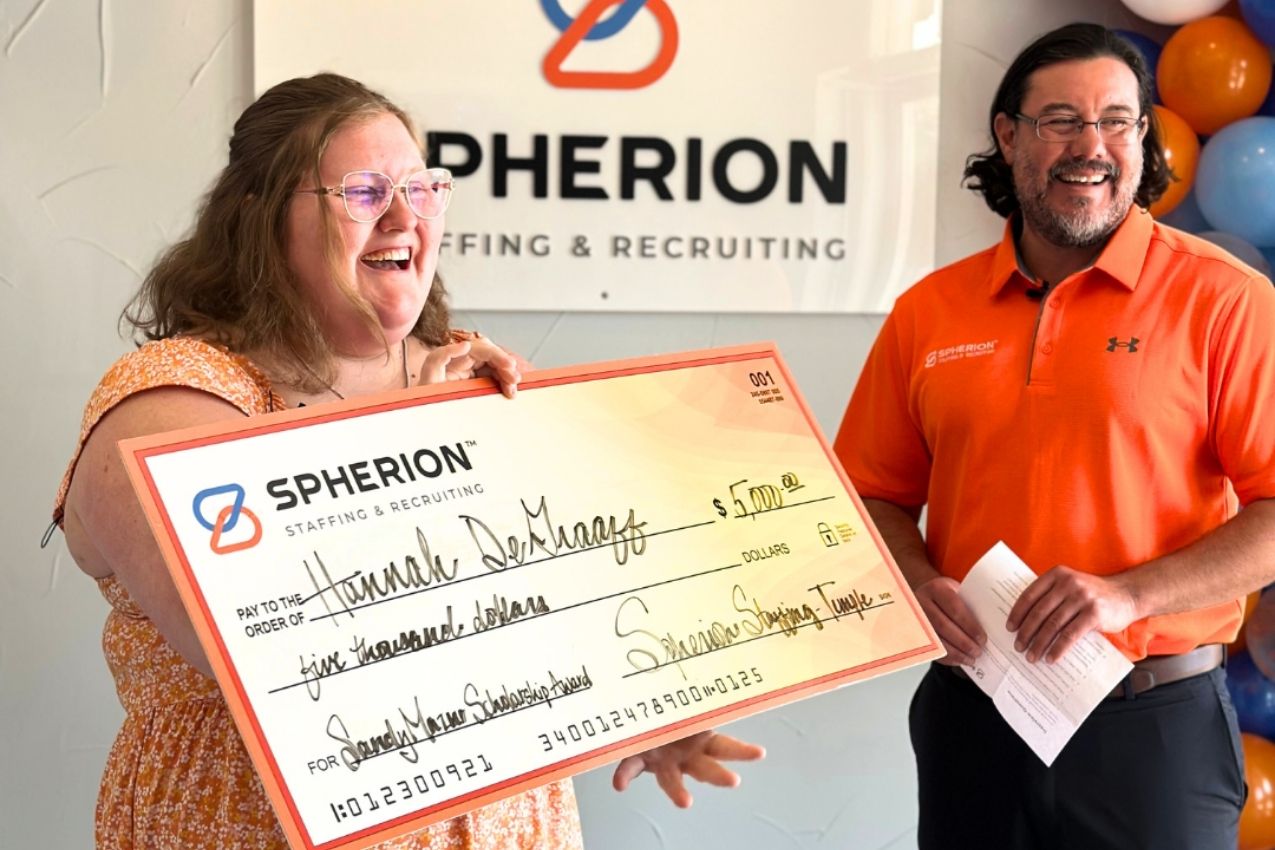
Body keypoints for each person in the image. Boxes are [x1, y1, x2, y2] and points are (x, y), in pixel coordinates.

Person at [51, 73, 762, 850]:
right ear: (257, 218)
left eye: (423, 189)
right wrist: (419, 439)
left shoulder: (468, 378)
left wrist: (627, 694)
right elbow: (304, 663)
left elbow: (539, 602)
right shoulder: (166, 401)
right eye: (363, 192)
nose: (403, 216)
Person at [833, 23, 1275, 850]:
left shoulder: (1225, 302)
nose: (1092, 145)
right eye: (1060, 120)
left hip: (1153, 730)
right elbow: (872, 495)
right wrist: (919, 578)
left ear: (1143, 137)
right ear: (1008, 137)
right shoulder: (929, 311)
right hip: (971, 715)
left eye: (1117, 119)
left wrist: (1129, 594)